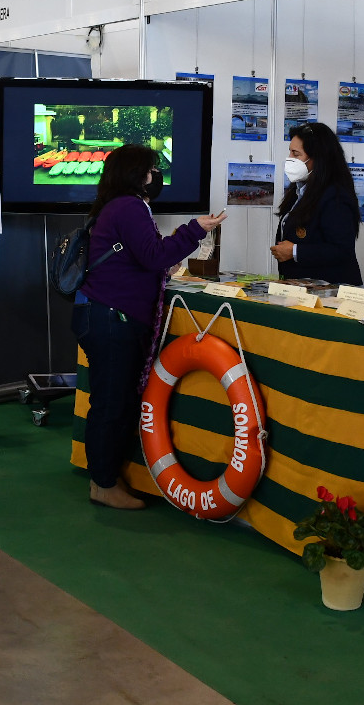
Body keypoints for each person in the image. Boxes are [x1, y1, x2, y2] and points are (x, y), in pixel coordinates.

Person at [74, 144, 225, 510]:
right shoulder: (129, 206)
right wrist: (194, 230)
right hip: (113, 319)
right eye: (151, 169)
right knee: (112, 404)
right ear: (135, 174)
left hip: (102, 314)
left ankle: (106, 476)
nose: (156, 175)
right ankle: (103, 484)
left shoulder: (115, 206)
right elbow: (154, 254)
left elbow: (141, 257)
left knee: (112, 401)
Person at [271, 122, 362, 286]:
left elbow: (341, 250)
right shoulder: (299, 190)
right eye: (289, 152)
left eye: (296, 154)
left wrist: (295, 251)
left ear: (318, 158)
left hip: (332, 292)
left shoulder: (336, 195)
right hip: (302, 289)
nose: (290, 159)